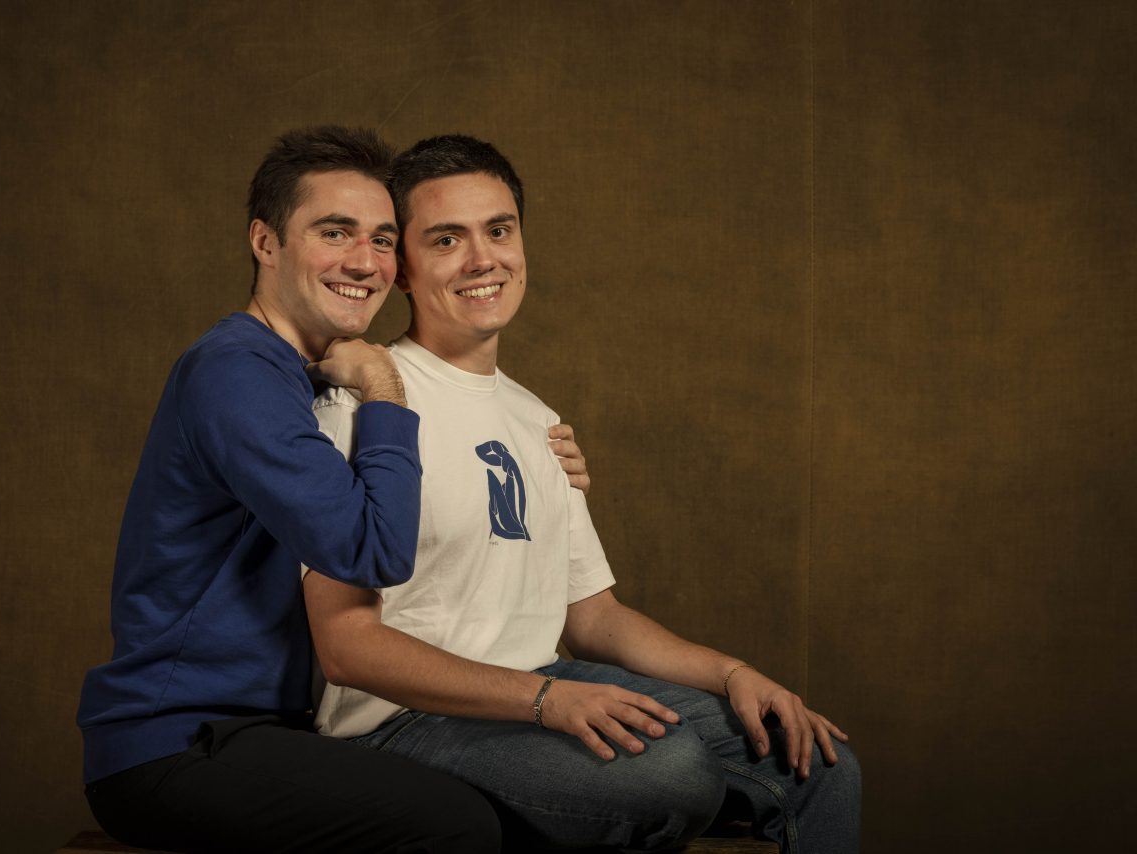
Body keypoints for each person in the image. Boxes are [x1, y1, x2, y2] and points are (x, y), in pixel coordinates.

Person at [303, 135, 862, 853]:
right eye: (446, 239)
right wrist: (546, 701)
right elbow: (349, 649)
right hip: (404, 721)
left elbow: (594, 616)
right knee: (672, 775)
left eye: (499, 230)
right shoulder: (364, 404)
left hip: (543, 684)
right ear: (402, 268)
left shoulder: (538, 420)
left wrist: (734, 674)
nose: (482, 259)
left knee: (815, 760)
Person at [75, 126, 585, 854]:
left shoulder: (306, 380)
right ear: (266, 242)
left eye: (383, 240)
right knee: (459, 825)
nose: (364, 261)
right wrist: (383, 384)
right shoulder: (236, 372)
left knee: (509, 802)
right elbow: (373, 552)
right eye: (334, 232)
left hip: (278, 730)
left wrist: (538, 460)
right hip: (180, 740)